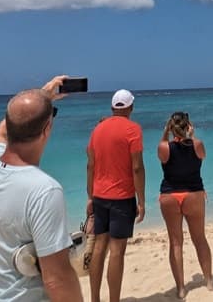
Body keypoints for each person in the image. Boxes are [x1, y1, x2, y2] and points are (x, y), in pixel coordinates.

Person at [0, 76, 83, 301]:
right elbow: (57, 279)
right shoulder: (44, 191)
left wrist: (43, 94)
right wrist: (45, 96)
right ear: (47, 129)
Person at [87, 89, 146, 302]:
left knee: (99, 246)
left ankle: (94, 299)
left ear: (113, 108)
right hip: (122, 197)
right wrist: (141, 200)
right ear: (130, 107)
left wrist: (90, 197)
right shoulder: (133, 129)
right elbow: (137, 167)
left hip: (99, 195)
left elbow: (90, 165)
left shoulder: (97, 130)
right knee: (117, 252)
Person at [158, 111, 213, 298]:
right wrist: (192, 136)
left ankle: (181, 288)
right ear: (189, 126)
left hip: (170, 196)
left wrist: (165, 132)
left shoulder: (164, 147)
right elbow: (201, 155)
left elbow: (163, 150)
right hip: (193, 194)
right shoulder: (197, 145)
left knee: (175, 243)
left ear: (171, 127)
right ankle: (209, 282)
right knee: (199, 239)